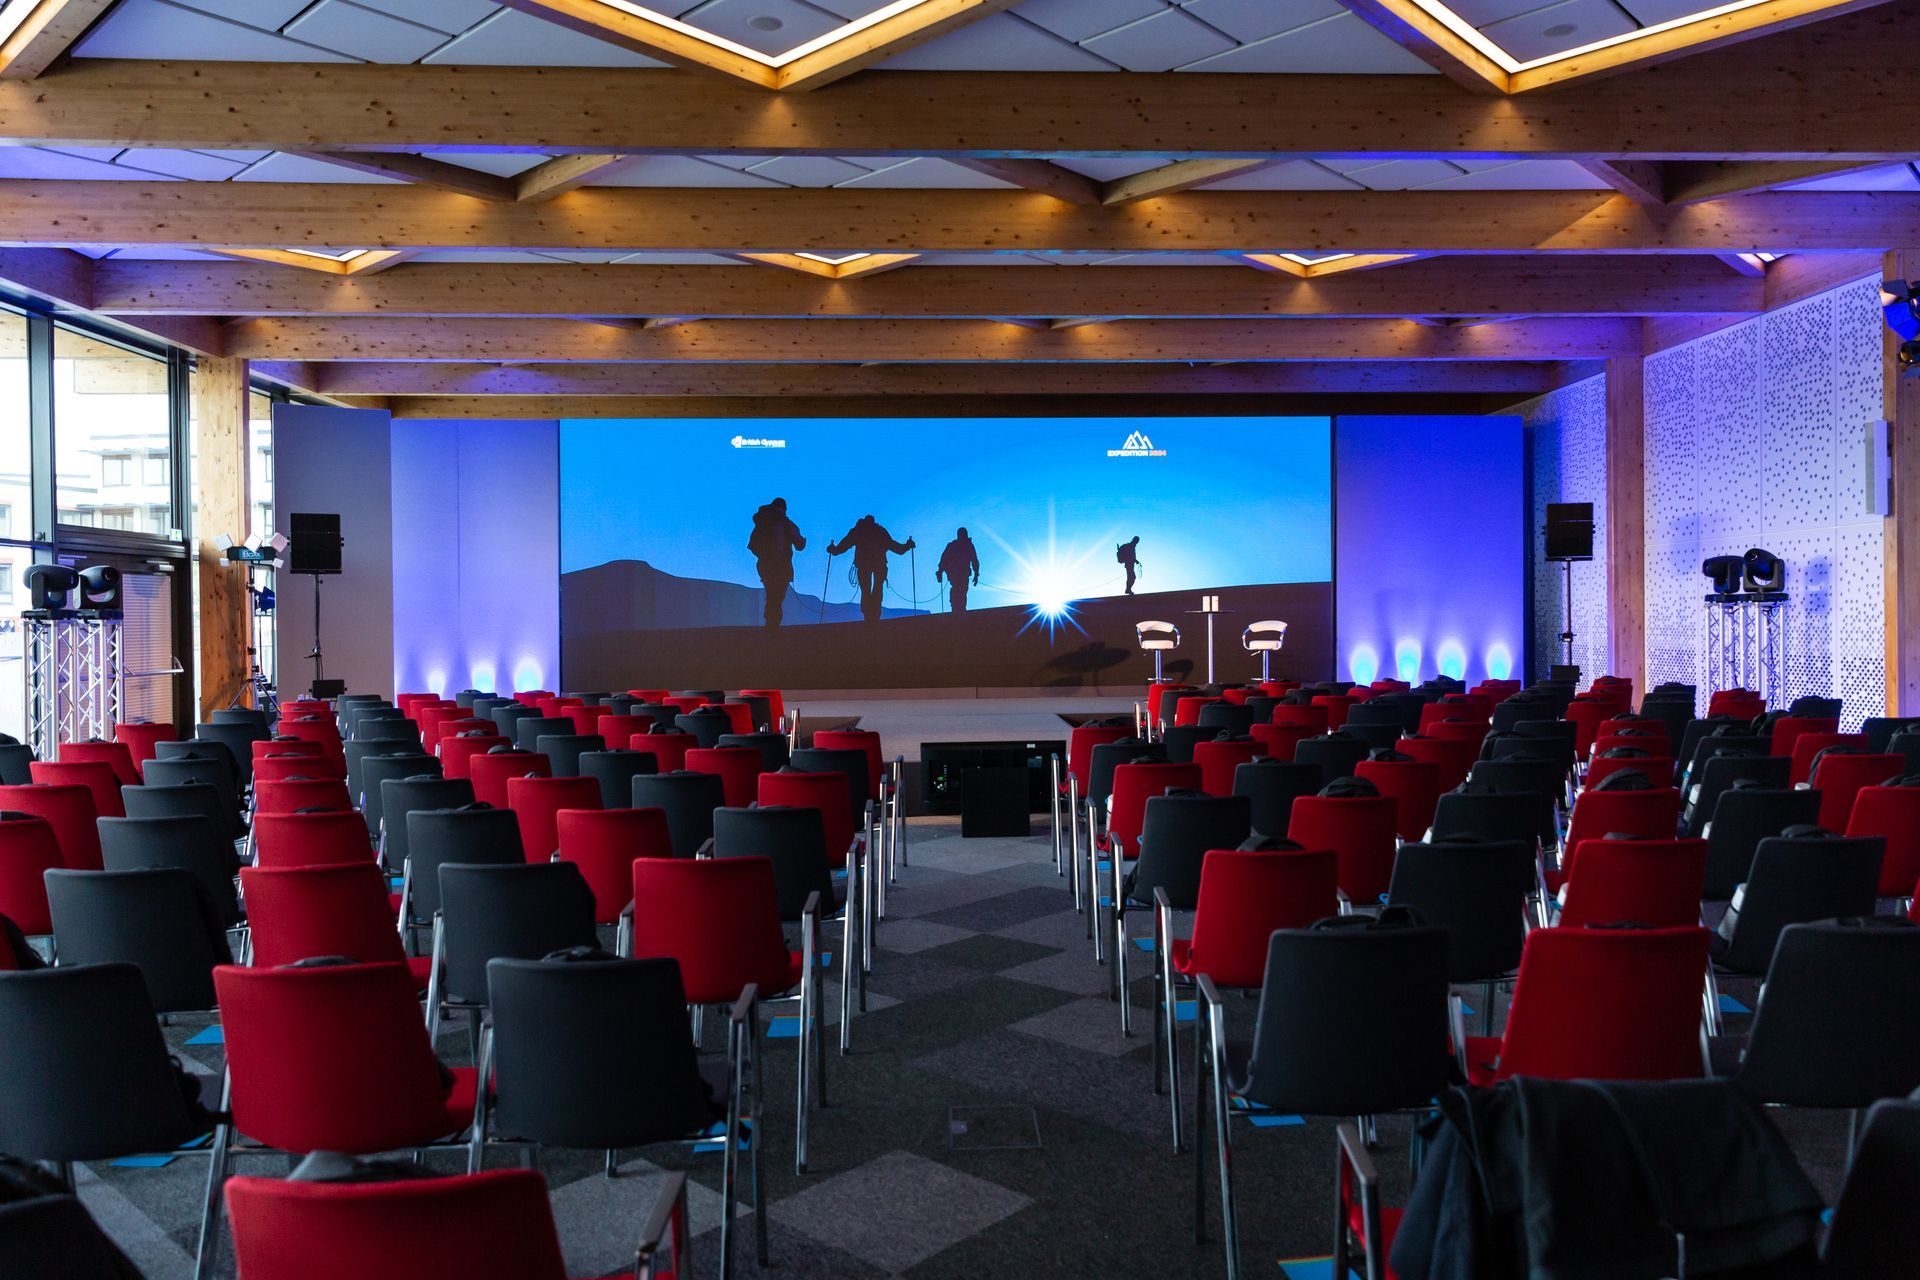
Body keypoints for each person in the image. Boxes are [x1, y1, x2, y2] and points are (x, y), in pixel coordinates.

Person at [828, 514, 915, 622]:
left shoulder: (858, 531)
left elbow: (843, 546)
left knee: (866, 591)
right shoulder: (880, 531)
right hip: (879, 564)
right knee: (877, 589)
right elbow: (897, 549)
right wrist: (908, 545)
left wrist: (834, 550)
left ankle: (868, 617)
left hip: (864, 564)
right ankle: (875, 616)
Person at [747, 497, 806, 630]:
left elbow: (752, 545)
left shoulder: (763, 523)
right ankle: (773, 625)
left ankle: (771, 623)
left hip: (765, 566)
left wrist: (764, 556)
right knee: (777, 596)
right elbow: (800, 545)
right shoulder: (788, 524)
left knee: (772, 594)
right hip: (782, 567)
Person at [935, 527, 980, 613]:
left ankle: (959, 609)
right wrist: (940, 571)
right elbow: (944, 559)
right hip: (955, 574)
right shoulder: (953, 546)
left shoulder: (968, 546)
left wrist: (976, 574)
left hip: (961, 574)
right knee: (958, 591)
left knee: (961, 592)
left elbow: (974, 560)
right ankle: (957, 609)